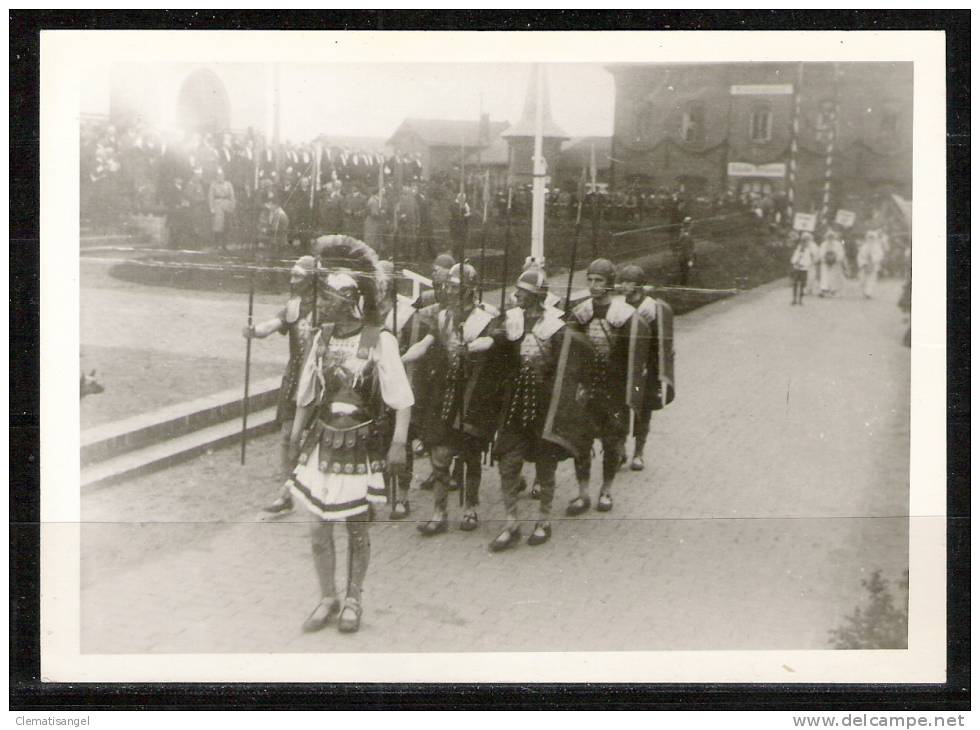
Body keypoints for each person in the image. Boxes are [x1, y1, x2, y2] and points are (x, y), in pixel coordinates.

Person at [286, 235, 413, 634]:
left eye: (329, 298)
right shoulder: (321, 339)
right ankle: (327, 597)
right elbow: (306, 394)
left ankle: (354, 599)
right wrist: (293, 438)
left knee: (357, 529)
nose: (322, 303)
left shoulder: (380, 340)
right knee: (318, 528)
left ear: (351, 300)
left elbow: (401, 399)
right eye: (323, 296)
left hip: (359, 446)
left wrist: (398, 443)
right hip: (321, 444)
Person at [403, 262, 501, 535]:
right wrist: (398, 360)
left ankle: (470, 508)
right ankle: (439, 512)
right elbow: (425, 345)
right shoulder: (443, 316)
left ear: (470, 290)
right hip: (446, 391)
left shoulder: (485, 318)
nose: (450, 292)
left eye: (456, 288)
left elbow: (492, 341)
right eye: (448, 287)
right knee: (440, 455)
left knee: (470, 455)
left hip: (473, 393)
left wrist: (469, 346)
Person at [490, 268, 573, 550]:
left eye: (522, 292)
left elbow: (565, 367)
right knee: (508, 462)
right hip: (515, 400)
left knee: (545, 464)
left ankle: (543, 519)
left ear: (537, 294)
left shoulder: (556, 325)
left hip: (543, 401)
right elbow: (499, 350)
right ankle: (511, 520)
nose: (516, 296)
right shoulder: (511, 319)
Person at [242, 256, 327, 515]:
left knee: (325, 436)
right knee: (288, 436)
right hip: (296, 378)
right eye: (292, 275)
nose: (292, 280)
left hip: (324, 379)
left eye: (298, 276)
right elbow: (274, 324)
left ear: (311, 278)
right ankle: (286, 493)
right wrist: (255, 330)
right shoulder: (294, 306)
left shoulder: (329, 306)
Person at [565, 258, 643, 515]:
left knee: (611, 441)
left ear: (610, 284)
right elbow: (569, 349)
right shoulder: (581, 311)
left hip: (613, 387)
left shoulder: (625, 315)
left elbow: (632, 354)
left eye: (599, 281)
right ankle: (583, 491)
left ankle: (606, 489)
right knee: (581, 440)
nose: (594, 285)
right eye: (590, 280)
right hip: (586, 386)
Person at [616, 264, 674, 471]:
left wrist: (657, 371)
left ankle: (639, 452)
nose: (624, 286)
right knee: (620, 408)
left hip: (645, 368)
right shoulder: (619, 306)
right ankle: (619, 449)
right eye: (622, 281)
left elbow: (660, 342)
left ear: (639, 285)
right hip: (623, 366)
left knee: (644, 410)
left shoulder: (651, 308)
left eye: (628, 282)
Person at [208, 167, 237, 251]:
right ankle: (216, 244)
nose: (220, 177)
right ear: (216, 176)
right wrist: (211, 207)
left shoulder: (228, 184)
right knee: (217, 225)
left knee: (226, 225)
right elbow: (210, 196)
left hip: (226, 205)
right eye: (218, 175)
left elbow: (232, 196)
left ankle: (224, 244)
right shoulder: (213, 184)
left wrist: (232, 206)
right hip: (217, 205)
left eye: (222, 175)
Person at [857, 229, 886, 299]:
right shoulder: (864, 246)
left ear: (875, 238)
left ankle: (868, 293)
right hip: (864, 265)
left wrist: (873, 259)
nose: (871, 239)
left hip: (873, 265)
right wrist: (863, 263)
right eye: (869, 237)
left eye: (872, 237)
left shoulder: (877, 247)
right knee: (863, 279)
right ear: (867, 238)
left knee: (871, 279)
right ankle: (864, 291)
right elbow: (860, 256)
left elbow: (880, 255)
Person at [789, 233, 816, 305]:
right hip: (797, 268)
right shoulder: (798, 249)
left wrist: (803, 264)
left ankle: (800, 300)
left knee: (802, 285)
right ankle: (794, 299)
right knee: (795, 284)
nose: (803, 243)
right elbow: (793, 258)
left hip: (804, 269)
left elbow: (809, 260)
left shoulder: (808, 250)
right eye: (802, 241)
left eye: (805, 242)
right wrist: (795, 262)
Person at [818, 229, 846, 297]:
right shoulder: (823, 244)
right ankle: (824, 290)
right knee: (825, 277)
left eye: (831, 236)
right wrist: (825, 259)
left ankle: (834, 291)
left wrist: (836, 259)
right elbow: (820, 253)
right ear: (826, 237)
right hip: (825, 264)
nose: (830, 238)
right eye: (828, 236)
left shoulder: (838, 244)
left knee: (834, 277)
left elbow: (841, 253)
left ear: (834, 237)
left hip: (835, 264)